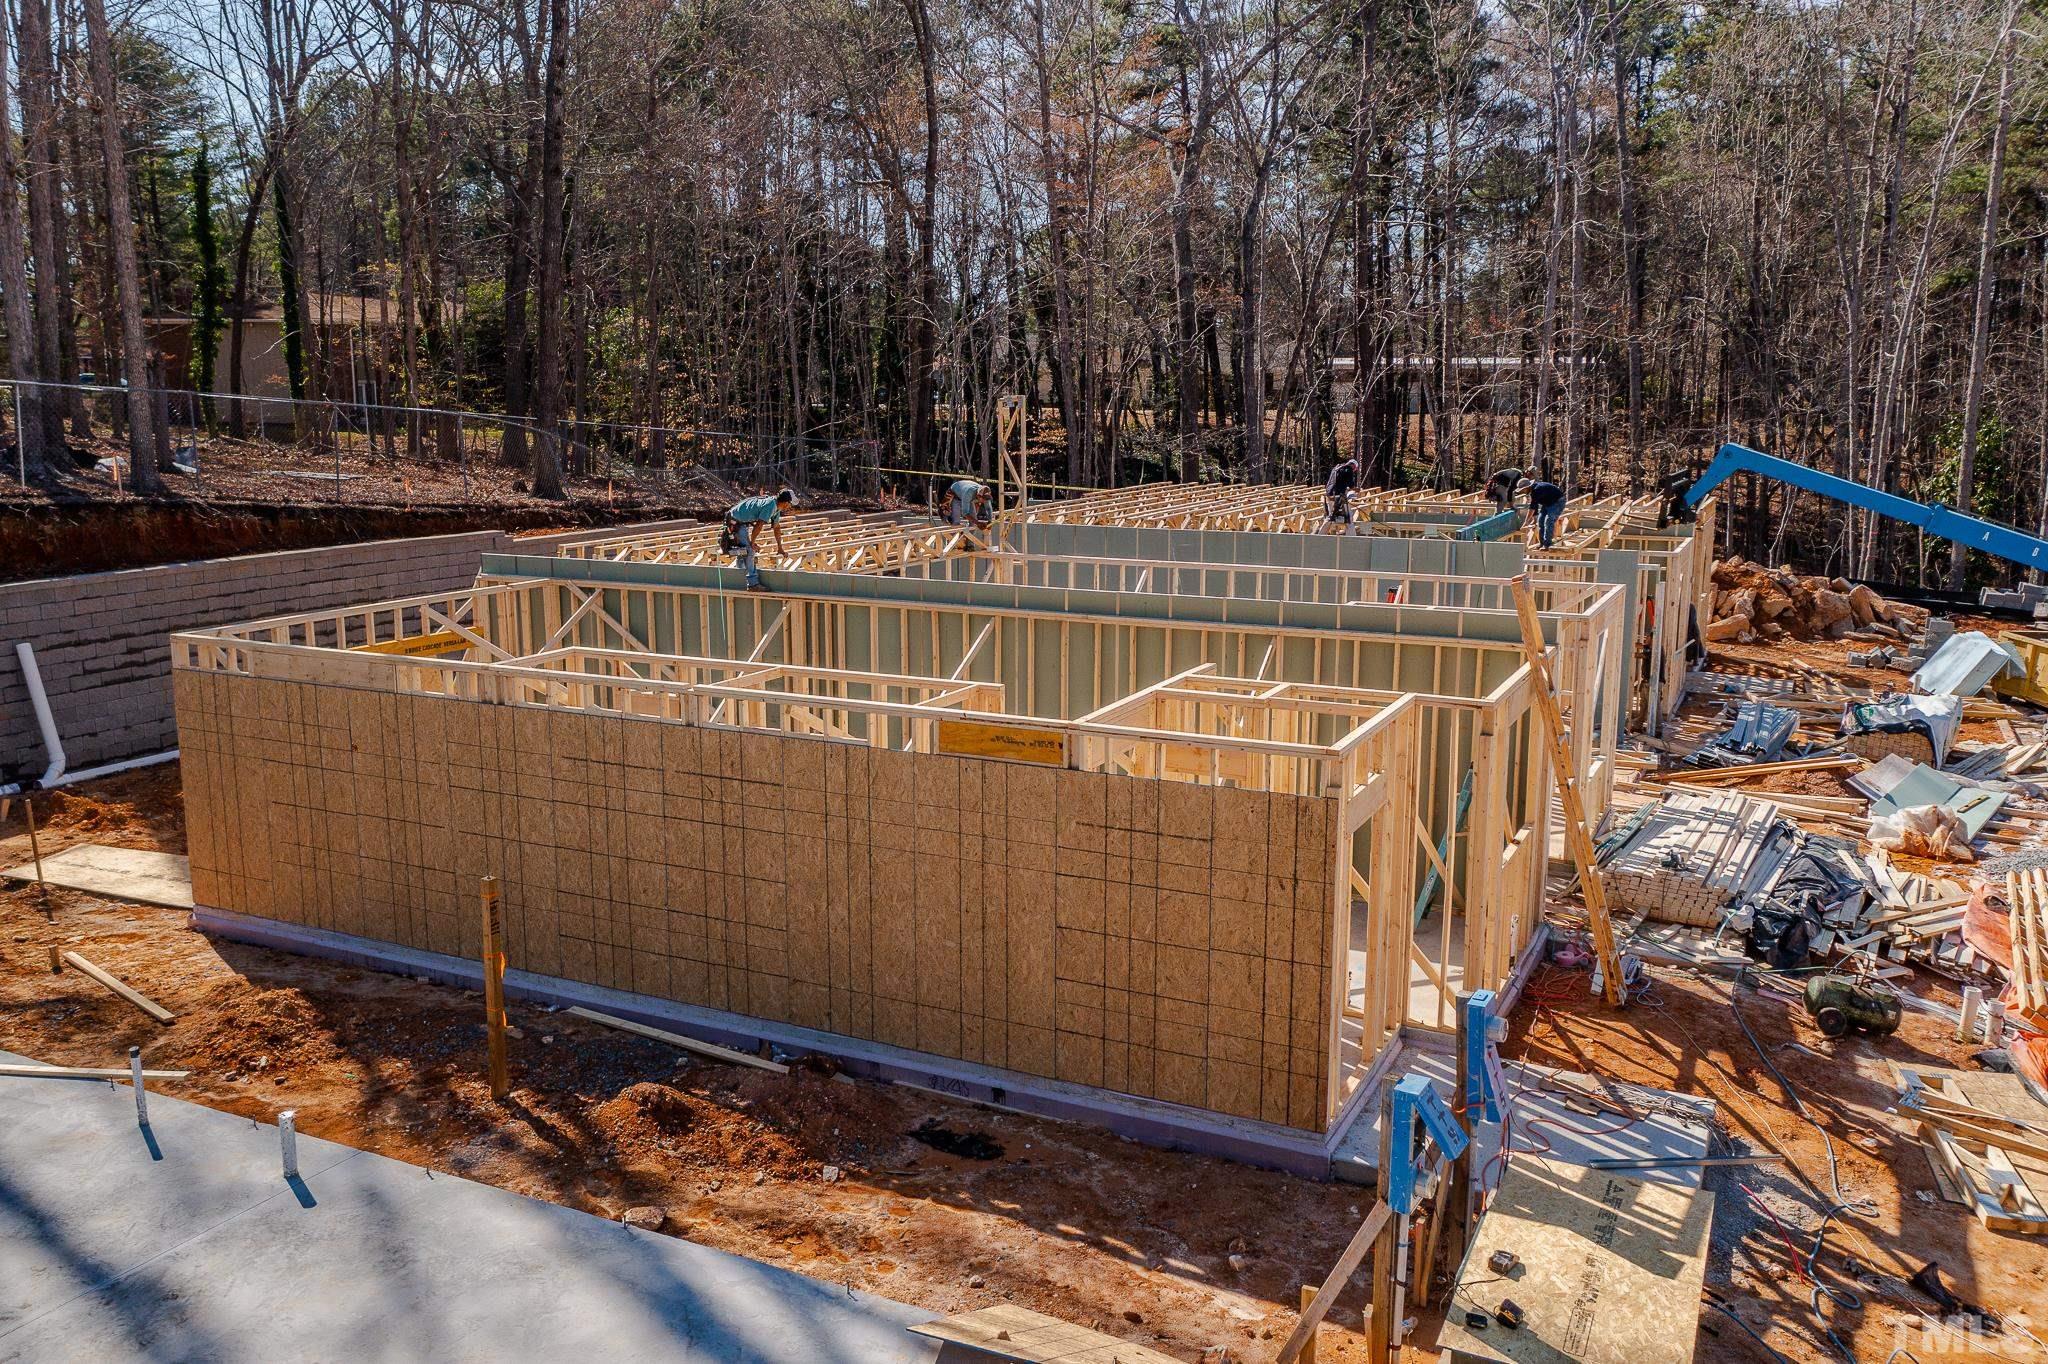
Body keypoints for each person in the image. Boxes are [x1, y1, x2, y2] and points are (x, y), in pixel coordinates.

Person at [725, 488, 796, 591]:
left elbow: (776, 528)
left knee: (744, 551)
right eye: (790, 504)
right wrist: (752, 543)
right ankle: (753, 584)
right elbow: (759, 525)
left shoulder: (776, 507)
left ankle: (740, 579)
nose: (790, 506)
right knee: (749, 551)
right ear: (786, 503)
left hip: (740, 520)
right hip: (735, 520)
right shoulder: (770, 506)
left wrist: (780, 547)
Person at [1321, 456, 1362, 532]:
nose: (1353, 471)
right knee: (1348, 518)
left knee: (1330, 518)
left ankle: (1319, 535)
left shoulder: (1336, 468)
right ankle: (1352, 536)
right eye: (1354, 469)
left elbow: (1337, 482)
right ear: (1353, 466)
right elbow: (1351, 485)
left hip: (1329, 495)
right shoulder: (1349, 469)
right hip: (1338, 497)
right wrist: (1356, 489)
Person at [1524, 477, 1566, 549]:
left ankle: (1547, 544)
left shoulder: (1537, 489)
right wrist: (1534, 519)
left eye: (1523, 490)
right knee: (1540, 521)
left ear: (1527, 487)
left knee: (1549, 521)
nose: (1522, 492)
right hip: (1548, 503)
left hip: (1558, 502)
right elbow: (1535, 505)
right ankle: (1542, 543)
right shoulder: (1533, 491)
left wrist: (1526, 522)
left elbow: (1532, 507)